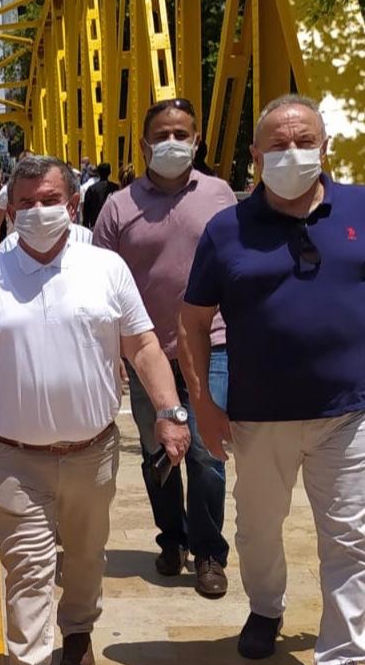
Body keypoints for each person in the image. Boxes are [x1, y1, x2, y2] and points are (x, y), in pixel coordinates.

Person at [179, 94, 365, 665]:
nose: (292, 153)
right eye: (277, 145)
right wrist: (204, 404)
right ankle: (266, 606)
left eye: (304, 141)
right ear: (255, 156)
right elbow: (193, 320)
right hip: (259, 414)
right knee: (258, 528)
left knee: (349, 537)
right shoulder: (226, 229)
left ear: (324, 146)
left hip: (348, 412)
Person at [0, 156, 190, 665]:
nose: (37, 211)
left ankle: (78, 626)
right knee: (27, 570)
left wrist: (170, 411)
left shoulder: (106, 269)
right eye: (25, 202)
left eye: (49, 199)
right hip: (15, 457)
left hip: (92, 451)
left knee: (85, 556)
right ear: (9, 208)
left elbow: (143, 346)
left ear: (73, 205)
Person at [92, 98, 240, 598]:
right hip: (144, 350)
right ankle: (172, 539)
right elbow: (98, 282)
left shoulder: (219, 195)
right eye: (162, 135)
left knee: (206, 449)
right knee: (159, 449)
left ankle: (209, 552)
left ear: (196, 141)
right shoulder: (119, 206)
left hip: (212, 342)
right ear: (144, 144)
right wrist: (110, 352)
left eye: (182, 134)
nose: (172, 143)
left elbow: (240, 265)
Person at [80, 163, 118, 229]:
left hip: (96, 223)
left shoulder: (92, 189)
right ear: (110, 172)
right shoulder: (115, 187)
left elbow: (86, 208)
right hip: (112, 223)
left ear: (98, 173)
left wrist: (85, 223)